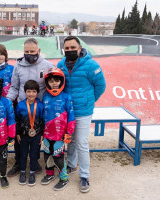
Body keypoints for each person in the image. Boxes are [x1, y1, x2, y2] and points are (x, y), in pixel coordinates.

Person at [57, 36, 106, 193]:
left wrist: (89, 101)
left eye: (73, 48)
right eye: (67, 48)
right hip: (67, 112)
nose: (70, 50)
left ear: (79, 48)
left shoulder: (91, 65)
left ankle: (84, 176)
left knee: (81, 142)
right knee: (70, 139)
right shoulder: (60, 65)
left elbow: (100, 85)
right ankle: (71, 164)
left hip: (83, 111)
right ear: (63, 49)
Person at [6, 38, 54, 177]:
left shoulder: (48, 66)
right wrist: (7, 102)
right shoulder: (18, 66)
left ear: (38, 51)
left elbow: (52, 87)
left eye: (32, 51)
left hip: (39, 110)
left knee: (36, 137)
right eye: (26, 51)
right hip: (22, 109)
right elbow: (14, 87)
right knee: (19, 136)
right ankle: (18, 162)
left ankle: (35, 161)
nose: (29, 54)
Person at [41, 67, 75, 191]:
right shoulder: (45, 97)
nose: (54, 83)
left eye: (57, 80)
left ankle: (64, 178)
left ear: (61, 81)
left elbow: (71, 117)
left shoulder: (67, 97)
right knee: (47, 156)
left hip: (60, 136)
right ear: (47, 83)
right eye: (51, 81)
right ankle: (50, 174)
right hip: (46, 135)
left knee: (58, 157)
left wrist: (69, 132)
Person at [16, 80, 44, 186]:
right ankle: (22, 171)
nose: (31, 94)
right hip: (23, 136)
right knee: (23, 155)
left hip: (36, 136)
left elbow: (42, 121)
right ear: (25, 92)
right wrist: (17, 133)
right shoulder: (20, 105)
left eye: (33, 91)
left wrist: (41, 134)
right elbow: (17, 120)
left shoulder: (40, 105)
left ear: (37, 92)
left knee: (33, 155)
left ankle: (32, 172)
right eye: (28, 91)